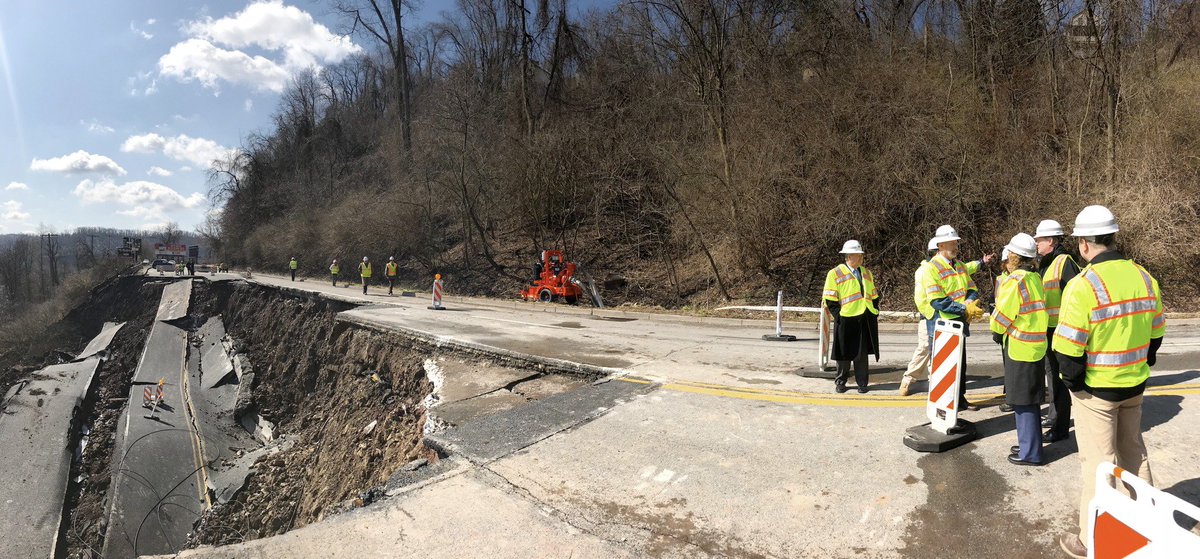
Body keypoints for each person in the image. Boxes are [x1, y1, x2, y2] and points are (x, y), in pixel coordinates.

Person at [1053, 206, 1164, 558]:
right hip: (1134, 386)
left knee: (1099, 466)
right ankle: (1147, 522)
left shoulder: (1083, 285)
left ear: (1084, 244)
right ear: (1113, 237)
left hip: (1096, 393)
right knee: (1134, 455)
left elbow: (1068, 352)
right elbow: (1156, 333)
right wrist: (1140, 364)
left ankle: (1091, 539)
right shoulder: (1144, 276)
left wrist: (1076, 387)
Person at [900, 240, 992, 396]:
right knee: (926, 351)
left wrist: (981, 262)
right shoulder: (924, 270)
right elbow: (921, 299)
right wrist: (931, 315)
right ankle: (909, 381)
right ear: (937, 250)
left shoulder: (953, 265)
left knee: (942, 359)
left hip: (951, 317)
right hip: (930, 317)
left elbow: (967, 270)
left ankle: (939, 390)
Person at [990, 234, 1048, 466]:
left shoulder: (1015, 281)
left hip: (1019, 348)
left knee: (1023, 402)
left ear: (1013, 256)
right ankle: (1029, 444)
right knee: (1031, 400)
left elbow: (1000, 319)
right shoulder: (1034, 278)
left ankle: (1031, 453)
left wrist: (994, 324)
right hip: (1035, 347)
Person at [920, 225, 985, 409]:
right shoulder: (931, 268)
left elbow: (972, 288)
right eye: (951, 243)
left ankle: (960, 399)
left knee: (960, 364)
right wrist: (963, 309)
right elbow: (937, 301)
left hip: (960, 322)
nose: (956, 246)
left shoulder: (959, 266)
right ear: (940, 245)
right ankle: (944, 404)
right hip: (944, 324)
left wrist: (970, 303)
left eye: (956, 243)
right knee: (946, 367)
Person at [1034, 219, 1081, 443]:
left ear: (1050, 240)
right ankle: (1054, 416)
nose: (1036, 244)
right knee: (1052, 377)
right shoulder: (1047, 262)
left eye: (1039, 240)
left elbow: (1076, 300)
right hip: (1049, 328)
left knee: (1060, 382)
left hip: (1060, 331)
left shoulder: (1064, 262)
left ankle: (1060, 428)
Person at [822, 240, 880, 394]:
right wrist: (839, 317)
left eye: (861, 255)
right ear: (848, 256)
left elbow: (874, 295)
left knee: (861, 354)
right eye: (858, 255)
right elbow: (830, 299)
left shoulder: (866, 273)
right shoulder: (834, 273)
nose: (861, 258)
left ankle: (862, 383)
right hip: (846, 318)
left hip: (863, 317)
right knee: (843, 353)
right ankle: (841, 382)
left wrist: (875, 309)